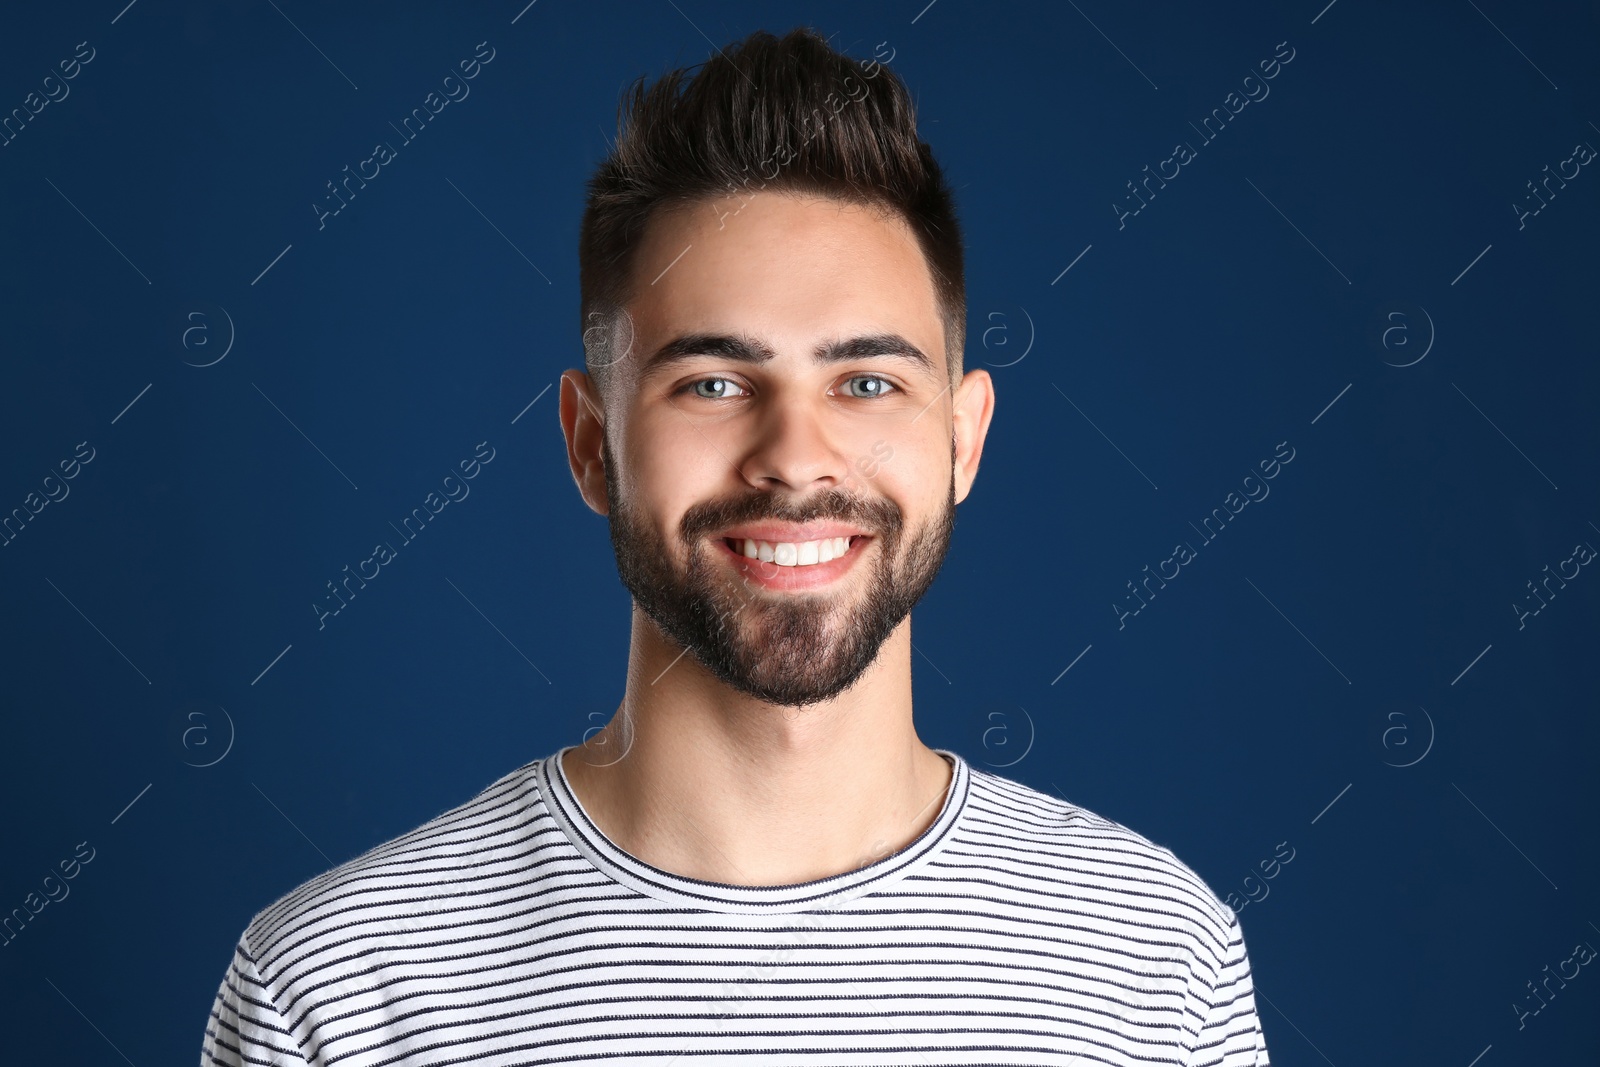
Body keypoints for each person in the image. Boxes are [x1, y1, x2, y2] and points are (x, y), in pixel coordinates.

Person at [202, 26, 1269, 1066]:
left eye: (866, 382)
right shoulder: (342, 987)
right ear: (591, 443)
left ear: (962, 439)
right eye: (712, 383)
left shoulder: (1152, 962)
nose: (795, 460)